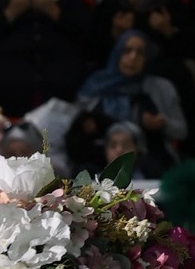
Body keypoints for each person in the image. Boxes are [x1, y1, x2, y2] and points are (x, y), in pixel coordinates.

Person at [72, 29, 187, 177]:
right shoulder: (96, 86)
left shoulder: (159, 88)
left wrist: (162, 124)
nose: (133, 57)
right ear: (117, 53)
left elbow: (181, 131)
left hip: (150, 165)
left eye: (140, 53)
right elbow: (74, 125)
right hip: (100, 162)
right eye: (127, 51)